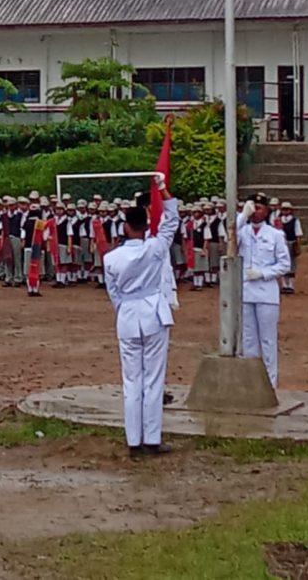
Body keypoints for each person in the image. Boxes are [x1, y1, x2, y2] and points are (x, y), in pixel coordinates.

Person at [102, 175, 179, 458]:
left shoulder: (111, 258)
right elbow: (172, 219)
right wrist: (162, 188)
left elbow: (114, 294)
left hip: (127, 316)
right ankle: (152, 439)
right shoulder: (155, 248)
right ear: (146, 227)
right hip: (153, 313)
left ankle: (134, 441)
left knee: (131, 381)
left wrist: (125, 310)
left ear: (125, 227)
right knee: (153, 379)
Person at [237, 194, 291, 388]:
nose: (255, 211)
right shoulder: (242, 231)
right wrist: (243, 215)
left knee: (268, 341)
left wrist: (263, 273)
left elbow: (284, 264)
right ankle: (252, 383)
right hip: (246, 291)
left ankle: (270, 384)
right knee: (248, 340)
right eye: (252, 207)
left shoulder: (275, 235)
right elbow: (229, 236)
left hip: (267, 293)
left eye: (258, 207)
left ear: (267, 210)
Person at [278, 201, 303, 294]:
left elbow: (298, 234)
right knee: (283, 262)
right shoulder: (279, 220)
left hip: (291, 243)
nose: (285, 211)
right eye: (284, 209)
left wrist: (298, 245)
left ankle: (291, 285)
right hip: (282, 243)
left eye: (287, 209)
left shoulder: (295, 220)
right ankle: (284, 284)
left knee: (292, 264)